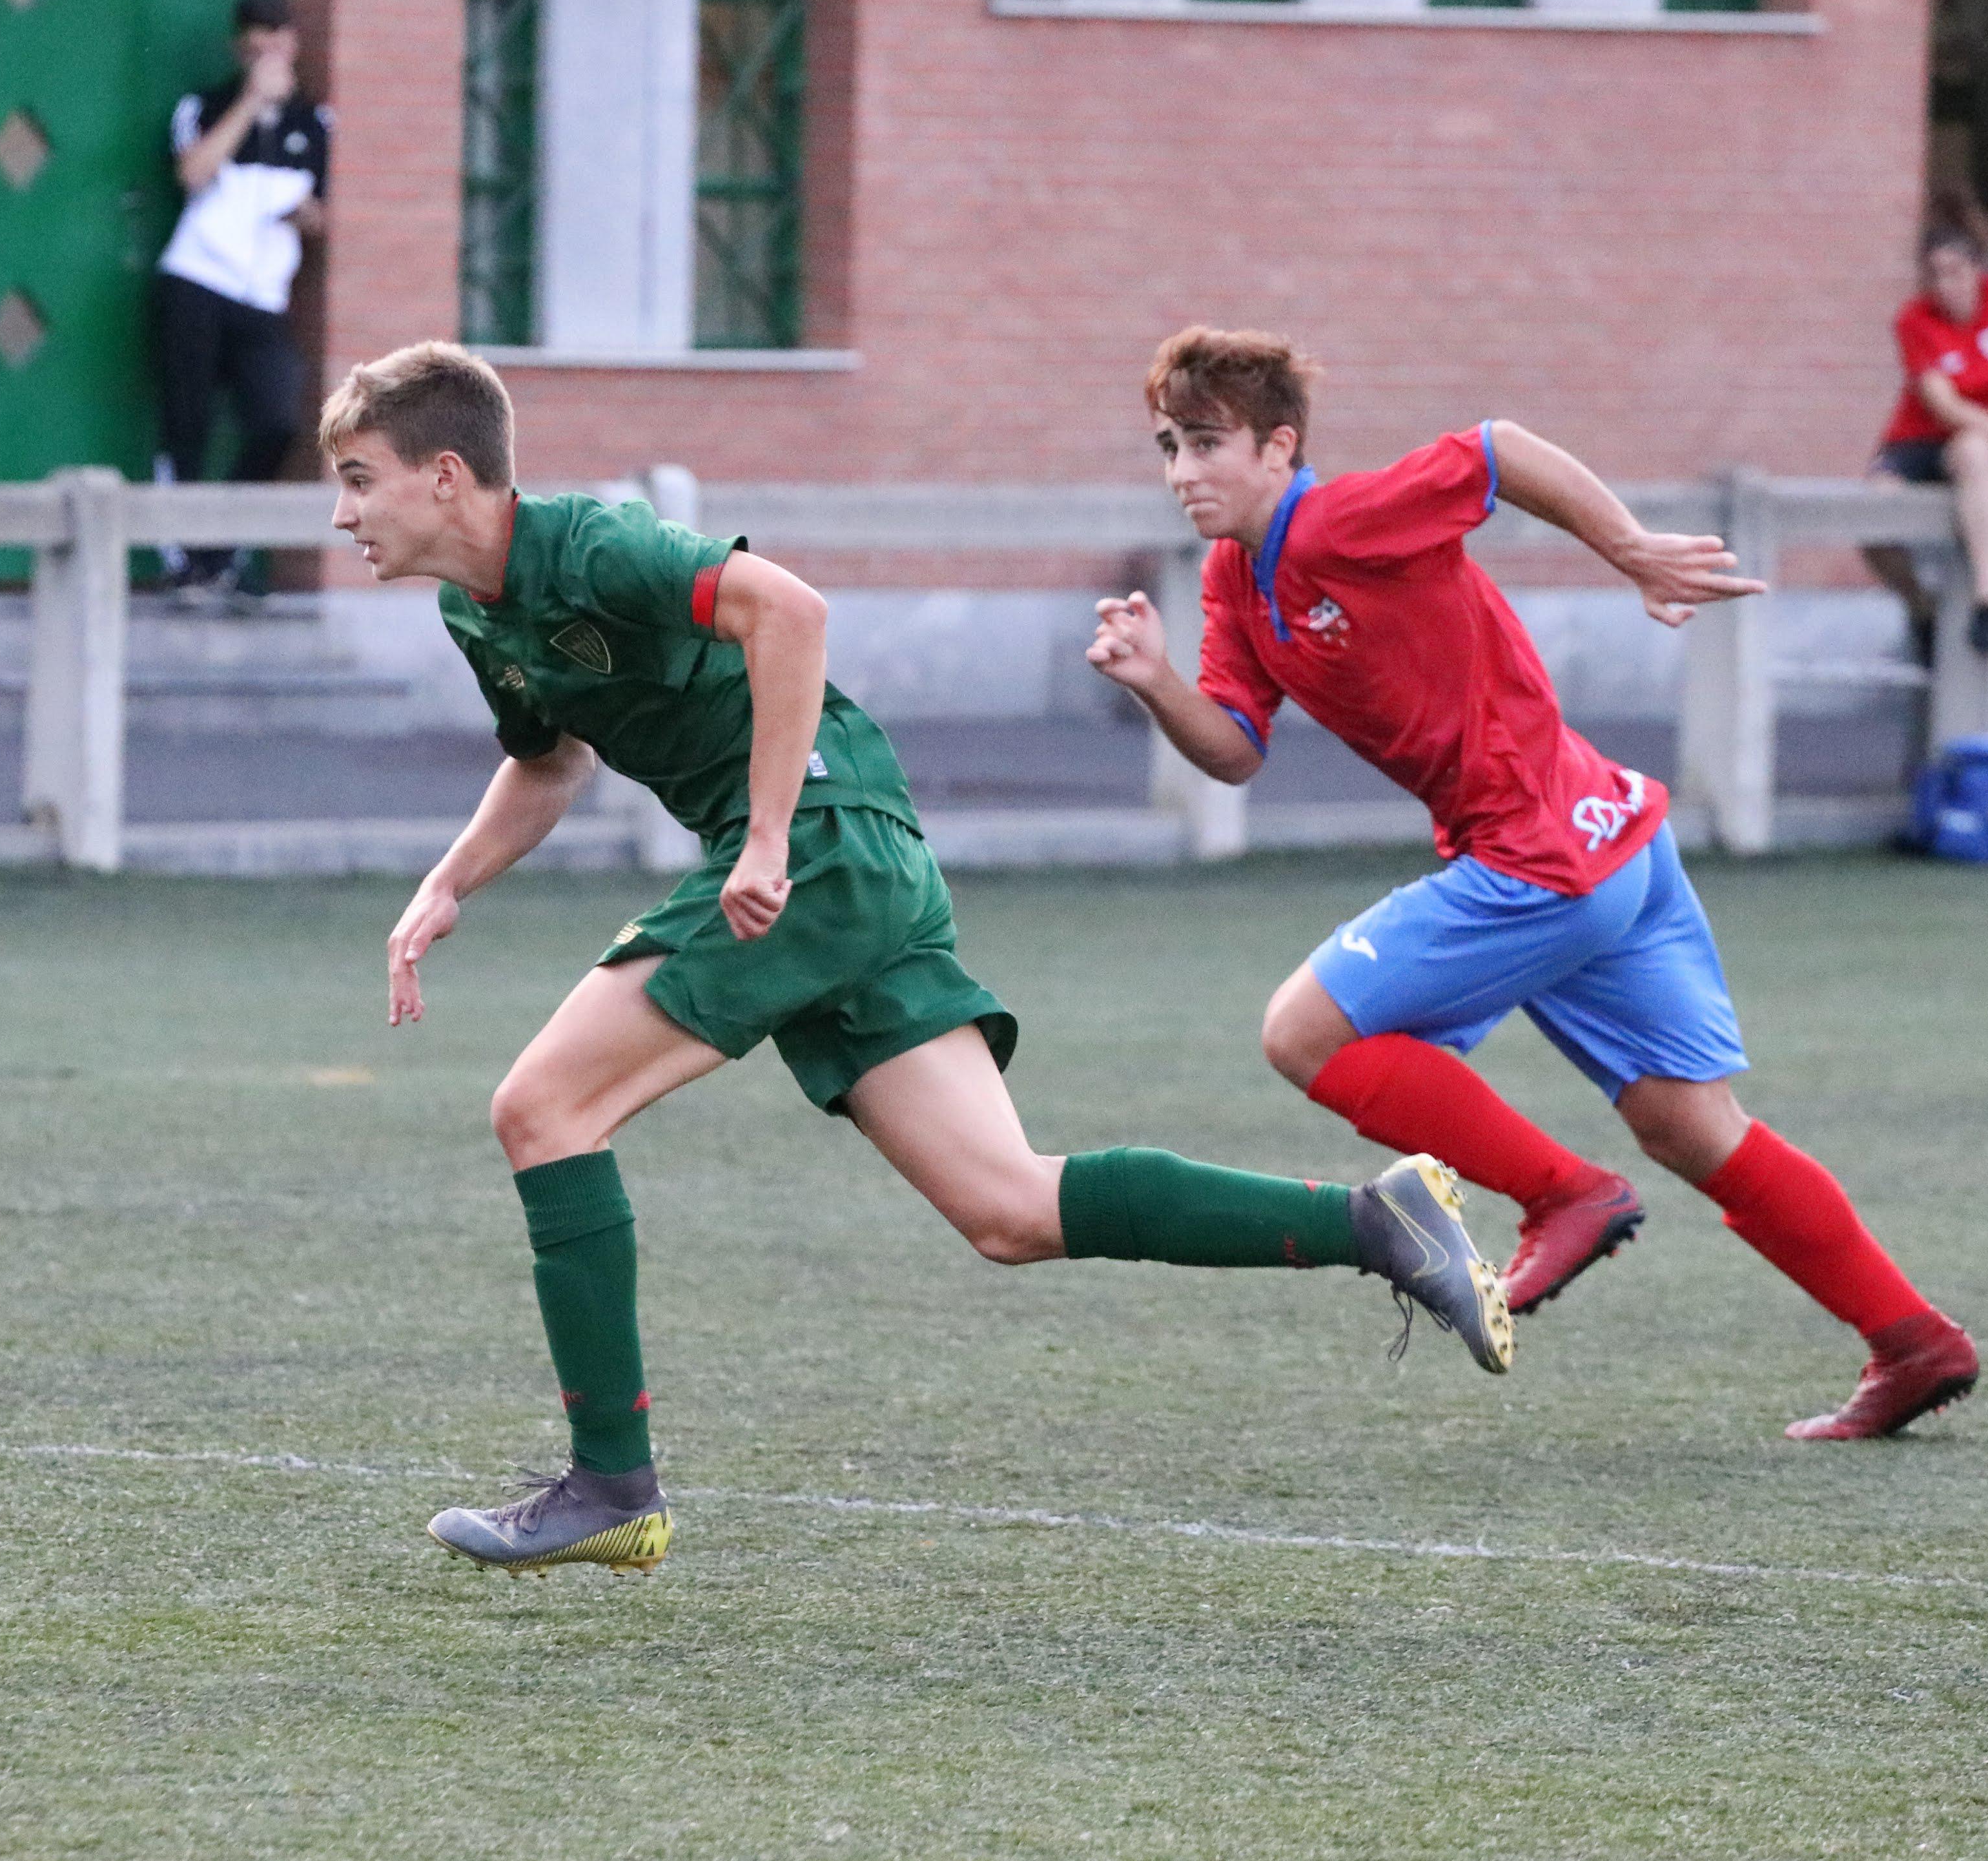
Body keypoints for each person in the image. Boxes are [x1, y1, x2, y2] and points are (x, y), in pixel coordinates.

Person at [321, 341, 1512, 1577]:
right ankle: (1374, 1223)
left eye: (359, 479)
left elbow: (789, 610)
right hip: (852, 862)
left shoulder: (588, 547)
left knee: (543, 1107)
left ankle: (610, 1484)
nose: (343, 512)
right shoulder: (478, 608)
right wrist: (447, 882)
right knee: (1007, 1207)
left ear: (448, 475)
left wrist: (769, 832)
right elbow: (549, 756)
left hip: (819, 848)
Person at [1089, 326, 1980, 1443]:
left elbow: (1497, 450)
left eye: (1207, 443)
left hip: (1539, 855)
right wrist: (1154, 681)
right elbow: (1230, 747)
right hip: (1609, 838)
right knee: (1692, 1128)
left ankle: (1562, 1193)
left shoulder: (1337, 518)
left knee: (1301, 1034)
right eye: (1168, 446)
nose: (1181, 472)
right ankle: (1910, 1340)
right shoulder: (1237, 579)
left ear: (1280, 447)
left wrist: (1630, 550)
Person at [152, 0, 330, 601]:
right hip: (198, 282)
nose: (268, 60)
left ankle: (220, 552)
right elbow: (194, 173)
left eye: (277, 48)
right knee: (187, 425)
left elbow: (326, 215)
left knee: (277, 419)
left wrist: (299, 211)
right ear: (241, 50)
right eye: (256, 50)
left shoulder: (316, 123)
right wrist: (253, 103)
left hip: (263, 299)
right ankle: (181, 558)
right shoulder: (205, 106)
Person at [1865, 190, 1988, 662]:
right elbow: (1942, 404)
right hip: (1917, 439)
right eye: (1933, 276)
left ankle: (1987, 599)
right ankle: (1918, 604)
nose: (1945, 285)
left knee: (1972, 452)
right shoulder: (1914, 320)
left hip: (1978, 440)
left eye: (1954, 273)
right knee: (1874, 512)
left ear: (1977, 269)